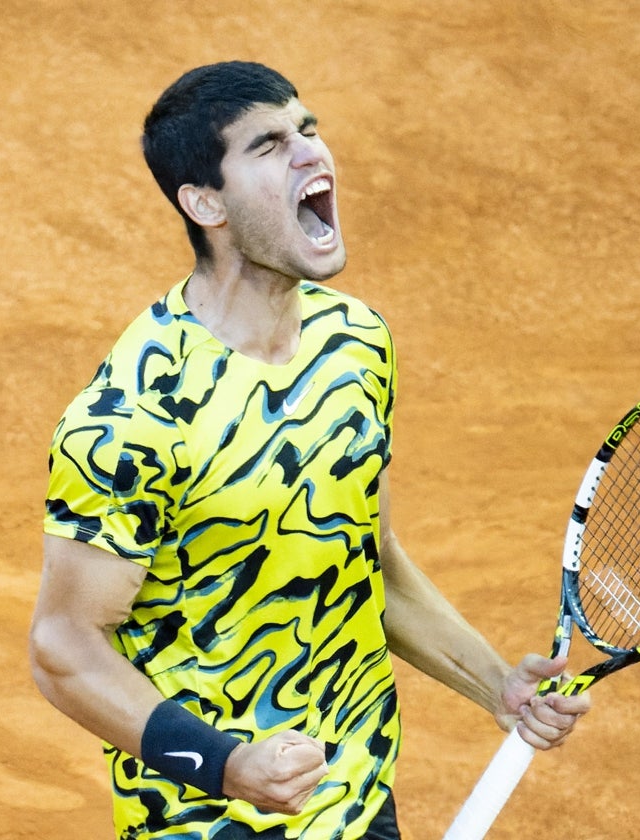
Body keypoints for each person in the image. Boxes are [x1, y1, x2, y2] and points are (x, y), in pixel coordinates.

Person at [29, 61, 591, 839]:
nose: (310, 153)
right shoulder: (134, 417)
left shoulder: (354, 344)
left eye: (309, 129)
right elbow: (63, 647)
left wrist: (498, 685)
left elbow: (370, 560)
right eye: (267, 145)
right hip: (209, 820)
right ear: (205, 203)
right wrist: (227, 765)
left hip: (358, 800)